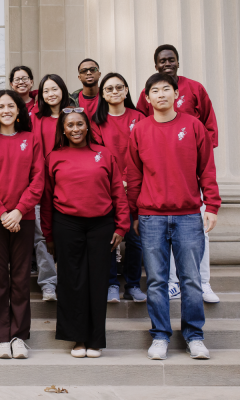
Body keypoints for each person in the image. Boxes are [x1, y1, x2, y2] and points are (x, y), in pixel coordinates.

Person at [127, 73, 220, 360]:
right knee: (156, 280)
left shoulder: (193, 126)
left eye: (167, 89)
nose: (161, 94)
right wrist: (134, 214)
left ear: (176, 94)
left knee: (191, 279)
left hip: (189, 215)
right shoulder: (140, 130)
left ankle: (194, 336)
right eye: (155, 90)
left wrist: (213, 206)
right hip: (151, 217)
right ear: (147, 97)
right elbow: (133, 175)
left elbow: (207, 168)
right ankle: (160, 336)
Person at [41, 107, 129, 358]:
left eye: (80, 124)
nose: (76, 129)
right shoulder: (54, 156)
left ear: (87, 127)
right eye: (70, 125)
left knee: (98, 281)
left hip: (101, 225)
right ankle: (77, 339)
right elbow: (46, 200)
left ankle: (95, 339)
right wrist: (48, 235)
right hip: (66, 225)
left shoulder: (103, 154)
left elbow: (117, 193)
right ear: (63, 130)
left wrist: (121, 225)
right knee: (71, 283)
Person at [136, 44, 220, 304]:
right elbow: (140, 125)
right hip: (158, 179)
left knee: (198, 235)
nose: (167, 64)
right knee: (163, 240)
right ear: (156, 65)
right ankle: (173, 284)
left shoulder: (195, 89)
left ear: (178, 62)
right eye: (162, 61)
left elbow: (209, 127)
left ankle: (203, 283)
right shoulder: (147, 95)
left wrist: (190, 151)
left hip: (188, 174)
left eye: (171, 60)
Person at [0, 90, 42, 359]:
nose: (6, 110)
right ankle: (1, 336)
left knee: (21, 279)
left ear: (19, 110)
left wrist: (18, 211)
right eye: (0, 106)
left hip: (23, 218)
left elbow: (37, 180)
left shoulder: (31, 139)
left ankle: (19, 336)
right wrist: (3, 213)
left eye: (10, 106)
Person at [91, 72, 147, 303]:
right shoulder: (96, 121)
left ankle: (132, 285)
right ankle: (111, 283)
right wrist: (118, 181)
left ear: (126, 91)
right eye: (109, 89)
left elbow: (144, 151)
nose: (114, 92)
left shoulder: (140, 117)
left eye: (118, 88)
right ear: (102, 94)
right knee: (109, 237)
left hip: (137, 187)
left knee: (135, 238)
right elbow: (98, 153)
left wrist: (128, 180)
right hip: (107, 187)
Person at [31, 74, 74, 301]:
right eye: (46, 90)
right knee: (41, 236)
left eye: (54, 89)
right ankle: (48, 283)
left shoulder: (73, 116)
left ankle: (68, 280)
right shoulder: (36, 118)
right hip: (42, 182)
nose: (50, 94)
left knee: (69, 233)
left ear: (63, 90)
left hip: (69, 183)